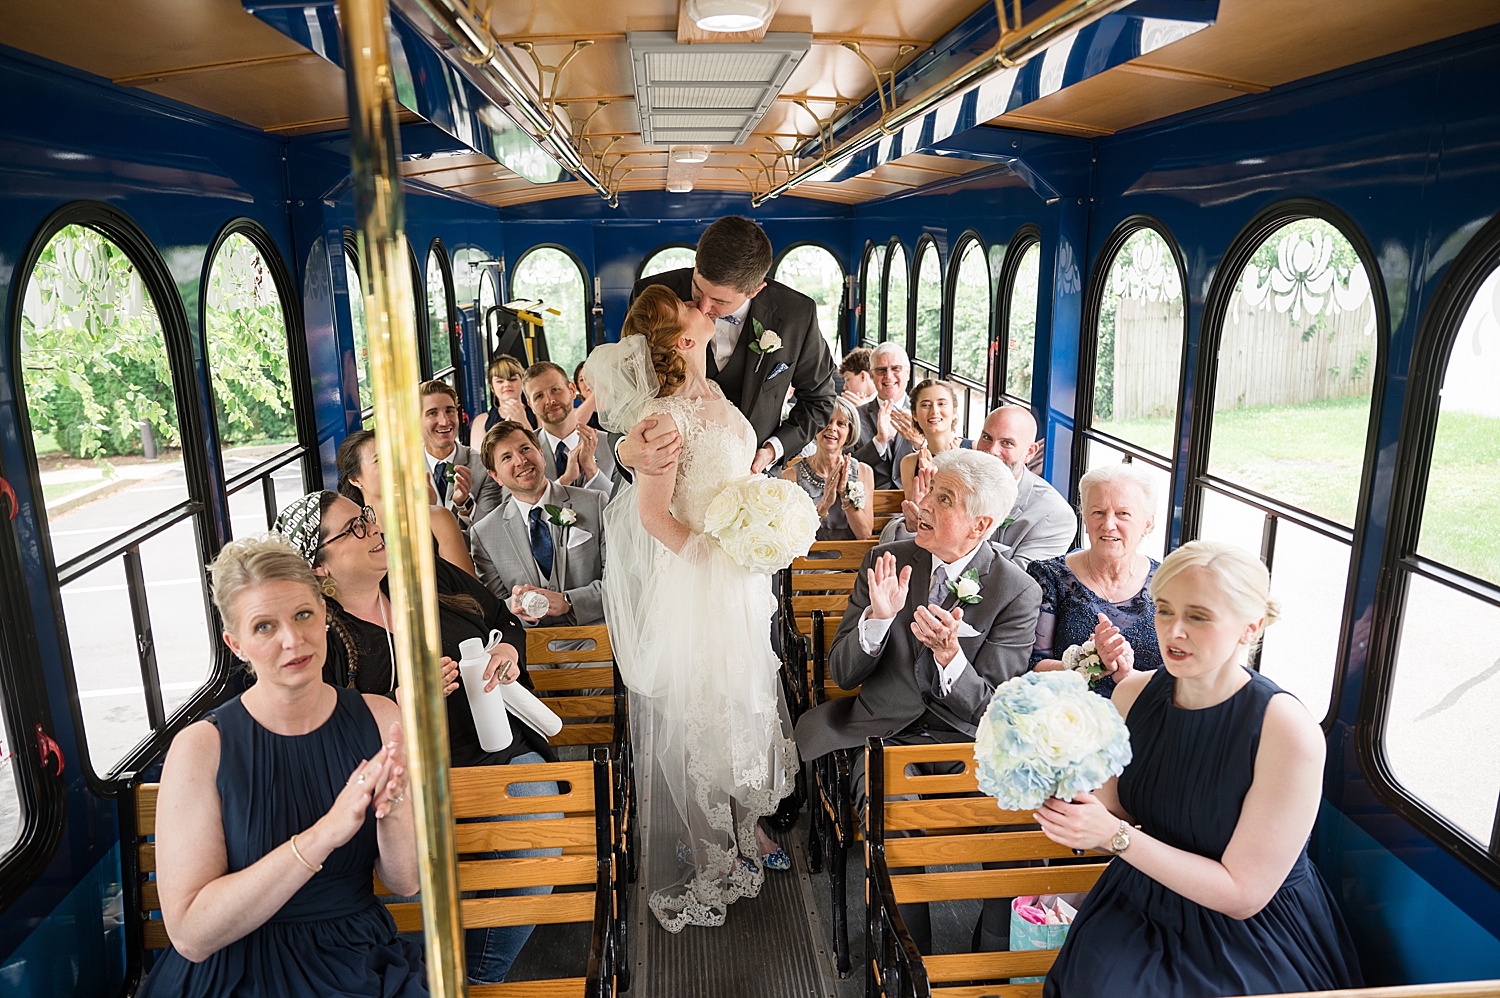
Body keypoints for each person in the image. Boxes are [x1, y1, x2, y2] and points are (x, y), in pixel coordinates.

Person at [1036, 540, 1363, 996]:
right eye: (1164, 610)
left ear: (1252, 627)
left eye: (1198, 616)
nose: (1173, 632)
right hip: (1141, 903)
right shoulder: (1132, 695)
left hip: (1251, 935)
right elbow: (1112, 808)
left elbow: (1243, 894)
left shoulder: (1285, 730)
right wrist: (1050, 779)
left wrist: (1114, 837)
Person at [274, 492, 556, 985]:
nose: (373, 527)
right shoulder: (322, 637)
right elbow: (323, 735)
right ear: (320, 569)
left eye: (366, 517)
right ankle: (434, 977)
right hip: (402, 785)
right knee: (404, 877)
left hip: (492, 751)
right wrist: (400, 702)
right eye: (354, 528)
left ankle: (478, 979)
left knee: (540, 816)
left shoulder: (423, 575)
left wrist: (509, 649)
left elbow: (503, 619)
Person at [586, 284, 798, 933]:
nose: (703, 311)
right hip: (701, 582)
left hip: (737, 581)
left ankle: (741, 829)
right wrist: (713, 554)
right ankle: (711, 853)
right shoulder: (663, 417)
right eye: (690, 311)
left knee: (740, 700)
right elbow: (652, 516)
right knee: (701, 711)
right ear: (680, 339)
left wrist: (759, 522)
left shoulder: (716, 394)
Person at [138, 534, 424, 997]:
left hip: (355, 955)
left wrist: (391, 813)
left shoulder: (381, 718)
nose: (293, 640)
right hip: (235, 969)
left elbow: (405, 881)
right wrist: (324, 834)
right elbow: (191, 935)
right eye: (265, 627)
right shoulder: (201, 748)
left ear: (325, 615)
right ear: (237, 644)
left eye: (303, 615)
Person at [794, 448, 1041, 953]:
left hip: (964, 743)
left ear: (981, 524)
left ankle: (992, 959)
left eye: (943, 498)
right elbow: (841, 674)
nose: (922, 503)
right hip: (881, 733)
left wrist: (952, 656)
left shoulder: (1017, 591)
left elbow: (992, 707)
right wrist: (878, 621)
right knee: (897, 820)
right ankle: (911, 959)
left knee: (1014, 828)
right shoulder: (887, 561)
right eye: (930, 491)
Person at [622, 215, 837, 477]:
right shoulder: (652, 295)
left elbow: (819, 399)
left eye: (719, 302)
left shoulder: (797, 315)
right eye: (697, 290)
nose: (702, 308)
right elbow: (620, 390)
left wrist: (772, 450)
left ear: (755, 290)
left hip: (752, 483)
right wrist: (624, 450)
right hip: (666, 482)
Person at [1027, 462, 1164, 698]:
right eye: (1098, 512)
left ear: (1147, 524)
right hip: (1068, 717)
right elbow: (1032, 669)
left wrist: (1129, 675)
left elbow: (1182, 676)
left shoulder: (1168, 583)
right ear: (1086, 519)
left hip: (1146, 719)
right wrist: (1089, 666)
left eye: (1123, 514)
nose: (1108, 525)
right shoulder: (1049, 576)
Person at [471, 420, 607, 631]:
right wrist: (516, 607)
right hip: (529, 653)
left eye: (525, 449)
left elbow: (622, 583)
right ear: (495, 476)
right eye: (507, 457)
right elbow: (495, 610)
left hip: (597, 642)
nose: (521, 460)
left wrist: (569, 602)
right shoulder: (484, 534)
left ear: (541, 455)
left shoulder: (595, 503)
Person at [337, 428, 477, 578]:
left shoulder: (436, 519)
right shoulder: (354, 536)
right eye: (379, 460)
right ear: (355, 479)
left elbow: (470, 589)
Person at [973, 405, 1076, 569]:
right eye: (987, 437)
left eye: (1007, 443)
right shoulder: (956, 481)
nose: (992, 451)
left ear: (1030, 452)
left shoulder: (1054, 516)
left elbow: (1013, 585)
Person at [783, 395, 875, 541]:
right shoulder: (790, 476)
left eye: (841, 424)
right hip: (806, 561)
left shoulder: (863, 472)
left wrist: (845, 496)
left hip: (851, 559)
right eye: (827, 421)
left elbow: (864, 535)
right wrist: (824, 505)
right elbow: (791, 537)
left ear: (849, 432)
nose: (832, 428)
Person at [521, 361, 615, 495]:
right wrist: (564, 480)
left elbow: (623, 503)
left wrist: (591, 470)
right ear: (531, 406)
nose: (550, 400)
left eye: (555, 390)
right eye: (539, 396)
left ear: (572, 390)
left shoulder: (609, 444)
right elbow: (512, 509)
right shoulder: (521, 453)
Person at [420, 379, 503, 526]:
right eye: (432, 413)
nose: (445, 421)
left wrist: (466, 505)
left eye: (450, 411)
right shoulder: (403, 471)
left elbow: (493, 531)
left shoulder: (483, 466)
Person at [852, 341, 923, 490]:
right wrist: (879, 442)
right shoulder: (854, 416)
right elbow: (847, 467)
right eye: (881, 370)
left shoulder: (924, 414)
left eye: (895, 368)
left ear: (908, 373)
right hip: (869, 506)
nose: (888, 376)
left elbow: (941, 462)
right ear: (871, 375)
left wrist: (920, 445)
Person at [469, 354, 532, 448]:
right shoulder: (481, 421)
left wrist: (523, 422)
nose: (507, 384)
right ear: (492, 387)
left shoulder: (537, 413)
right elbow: (478, 460)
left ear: (523, 382)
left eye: (512, 379)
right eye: (500, 381)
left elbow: (545, 452)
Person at [573, 359, 601, 430]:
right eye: (582, 379)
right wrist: (595, 393)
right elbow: (571, 428)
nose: (588, 382)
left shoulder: (617, 411)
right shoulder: (573, 413)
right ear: (578, 387)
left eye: (592, 377)